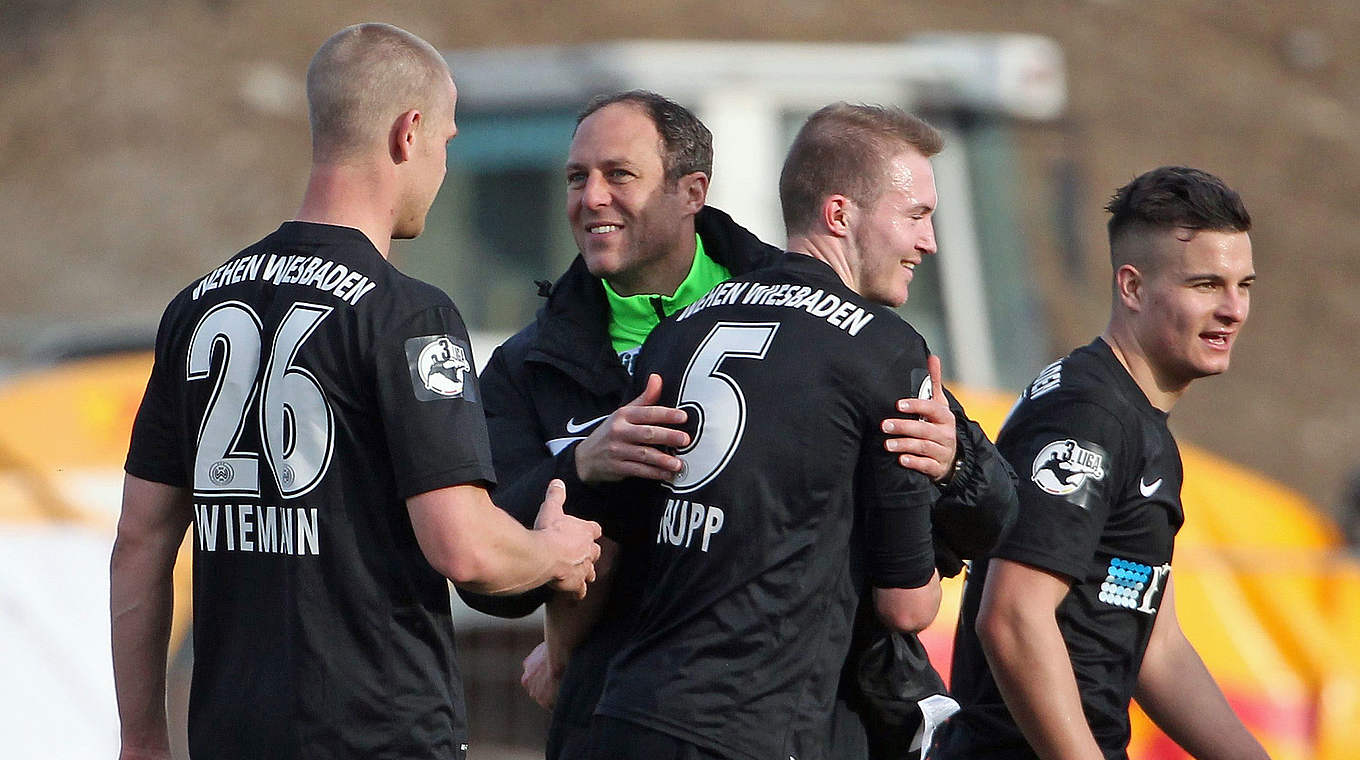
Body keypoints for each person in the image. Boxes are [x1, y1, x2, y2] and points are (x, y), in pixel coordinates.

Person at [462, 92, 1015, 760]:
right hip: (623, 712)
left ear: (692, 190)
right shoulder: (528, 366)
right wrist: (580, 467)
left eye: (620, 174)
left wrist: (957, 460)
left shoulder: (835, 327)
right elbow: (486, 561)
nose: (593, 197)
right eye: (577, 178)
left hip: (817, 712)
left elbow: (984, 519)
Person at [109, 23, 601, 760]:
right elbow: (464, 546)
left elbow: (140, 540)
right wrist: (553, 552)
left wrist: (141, 736)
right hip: (375, 735)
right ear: (409, 133)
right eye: (446, 140)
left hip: (231, 734)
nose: (442, 164)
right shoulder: (408, 313)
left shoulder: (197, 306)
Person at [934, 166, 1270, 760]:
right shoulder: (1088, 415)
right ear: (1133, 288)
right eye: (1205, 285)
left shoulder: (1140, 425)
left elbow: (1157, 647)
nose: (1232, 309)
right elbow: (1012, 617)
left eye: (1243, 285)